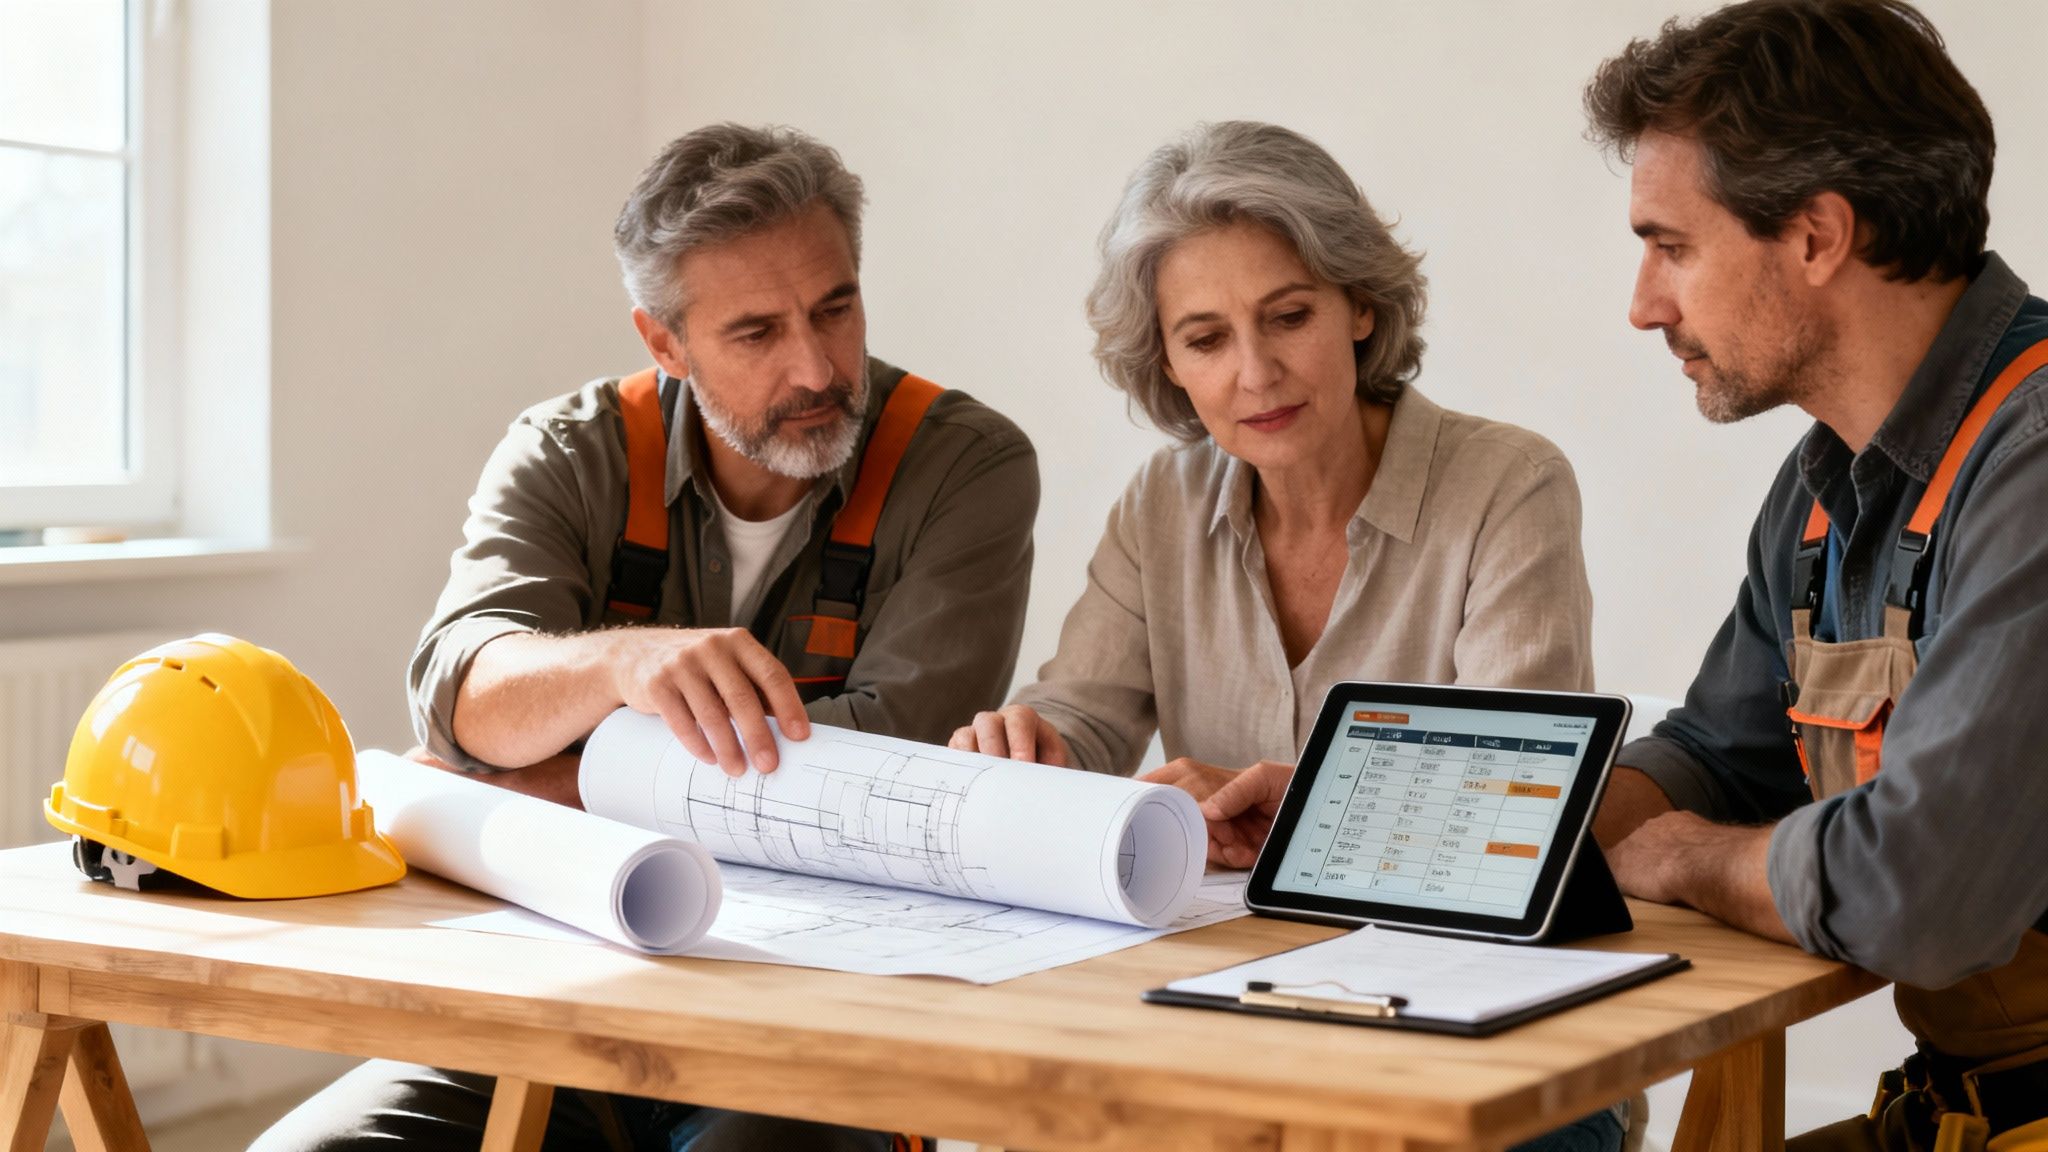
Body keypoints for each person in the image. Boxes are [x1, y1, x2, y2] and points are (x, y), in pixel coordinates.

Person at [253, 123, 1036, 1151]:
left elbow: (893, 764)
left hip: (818, 1015)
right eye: (756, 333)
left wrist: (551, 775)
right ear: (662, 343)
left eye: (834, 308)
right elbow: (460, 690)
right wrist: (620, 663)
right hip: (553, 991)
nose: (815, 365)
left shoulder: (965, 466)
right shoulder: (564, 451)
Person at [951, 120, 1617, 1152]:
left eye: (1288, 315)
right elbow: (1080, 717)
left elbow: (1505, 807)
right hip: (1224, 1010)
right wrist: (1031, 752)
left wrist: (1296, 803)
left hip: (1467, 1032)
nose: (1253, 372)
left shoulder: (1506, 484)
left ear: (1359, 305)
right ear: (1166, 364)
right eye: (1205, 338)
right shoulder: (1160, 504)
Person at [1577, 3, 2048, 1148]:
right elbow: (1718, 755)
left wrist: (1681, 856)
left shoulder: (2033, 466)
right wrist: (1508, 833)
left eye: (1671, 245)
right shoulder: (1820, 489)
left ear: (1815, 236)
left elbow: (1917, 895)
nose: (1642, 303)